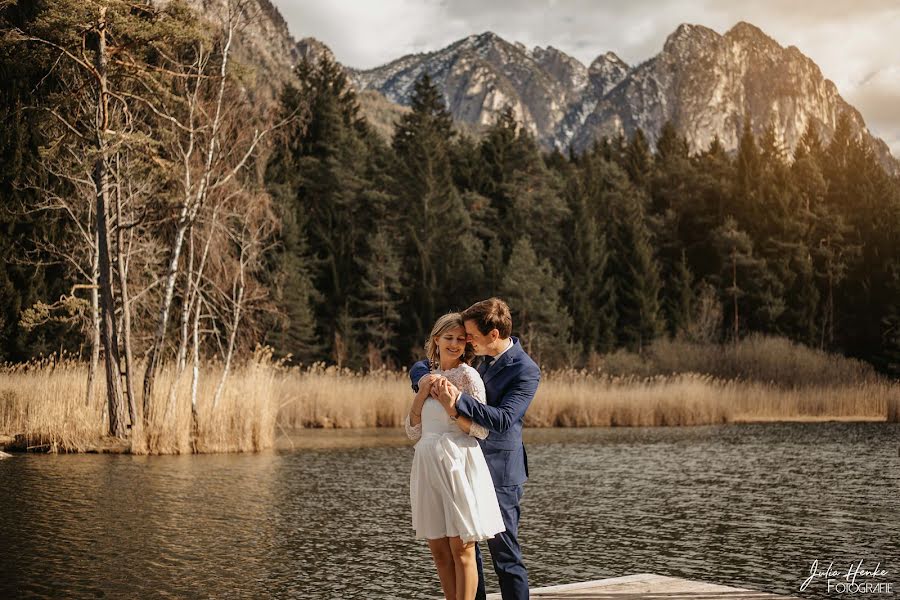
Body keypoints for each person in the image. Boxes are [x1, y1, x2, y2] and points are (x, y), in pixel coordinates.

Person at [411, 298, 540, 600]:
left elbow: (505, 419)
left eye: (470, 335)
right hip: (458, 465)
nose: (465, 341)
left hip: (499, 470)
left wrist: (455, 400)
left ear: (493, 335)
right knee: (467, 550)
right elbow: (422, 365)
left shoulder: (525, 369)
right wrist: (429, 381)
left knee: (504, 555)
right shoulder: (476, 357)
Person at [405, 312, 506, 600]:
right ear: (436, 339)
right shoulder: (424, 377)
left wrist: (452, 408)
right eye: (448, 338)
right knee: (438, 550)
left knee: (462, 548)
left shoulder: (468, 375)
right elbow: (413, 432)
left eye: (461, 339)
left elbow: (482, 432)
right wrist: (420, 394)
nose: (454, 344)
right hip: (427, 463)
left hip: (458, 463)